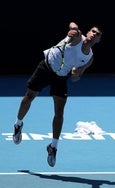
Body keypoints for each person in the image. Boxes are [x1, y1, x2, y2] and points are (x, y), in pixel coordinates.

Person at [12, 21, 102, 167]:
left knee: (59, 112)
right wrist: (73, 29)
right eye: (93, 31)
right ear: (88, 32)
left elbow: (75, 78)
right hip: (46, 68)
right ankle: (18, 124)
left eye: (97, 35)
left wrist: (75, 74)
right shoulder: (78, 37)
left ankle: (53, 147)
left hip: (61, 77)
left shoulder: (89, 58)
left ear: (98, 40)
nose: (94, 35)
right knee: (29, 98)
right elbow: (73, 26)